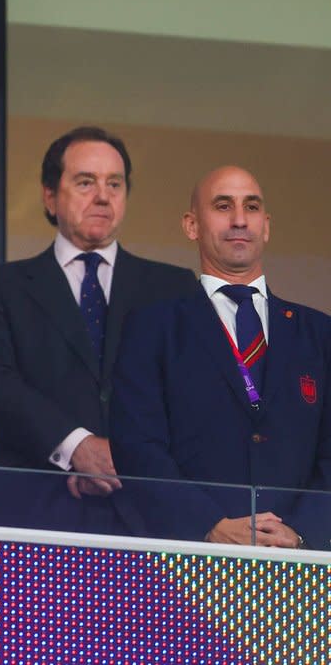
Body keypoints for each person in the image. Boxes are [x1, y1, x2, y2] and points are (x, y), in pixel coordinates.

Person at [0, 126, 199, 534]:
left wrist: (128, 457)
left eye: (115, 183)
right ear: (50, 196)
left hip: (148, 515)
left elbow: (191, 395)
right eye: (85, 182)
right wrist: (77, 448)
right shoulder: (1, 287)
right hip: (33, 513)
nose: (103, 196)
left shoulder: (174, 288)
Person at [111, 166, 331, 549]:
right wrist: (209, 524)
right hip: (188, 560)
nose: (240, 220)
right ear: (191, 225)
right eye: (223, 206)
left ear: (266, 226)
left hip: (298, 565)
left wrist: (300, 532)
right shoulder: (153, 328)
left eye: (252, 207)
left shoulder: (320, 333)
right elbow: (138, 448)